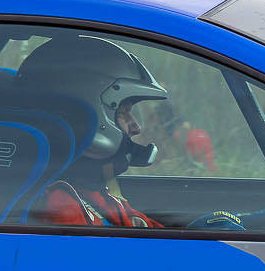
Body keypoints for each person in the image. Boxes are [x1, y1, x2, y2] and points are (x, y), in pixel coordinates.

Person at [17, 35, 168, 228]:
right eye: (123, 113)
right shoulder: (61, 205)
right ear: (92, 115)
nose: (135, 127)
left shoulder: (95, 194)